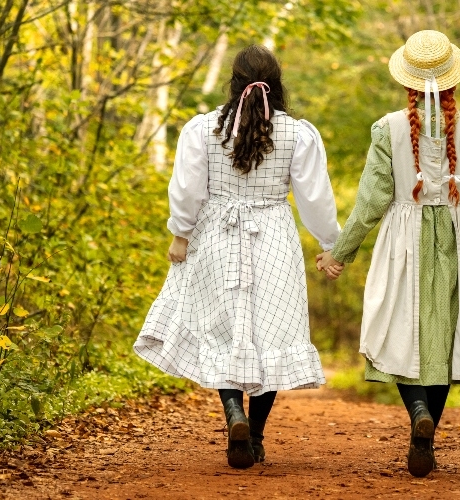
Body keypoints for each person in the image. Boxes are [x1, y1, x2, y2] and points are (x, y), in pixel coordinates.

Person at [134, 45, 340, 469]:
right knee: (271, 335)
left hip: (216, 236)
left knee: (221, 331)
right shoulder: (297, 133)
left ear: (233, 83)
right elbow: (314, 198)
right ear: (276, 84)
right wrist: (328, 243)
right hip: (274, 239)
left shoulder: (203, 129)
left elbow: (188, 188)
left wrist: (181, 233)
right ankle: (257, 437)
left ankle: (233, 414)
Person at [317, 30, 460, 478]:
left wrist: (340, 254)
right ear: (453, 81)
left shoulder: (388, 129)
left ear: (406, 81)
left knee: (403, 331)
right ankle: (427, 434)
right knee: (444, 341)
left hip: (404, 240)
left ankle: (417, 408)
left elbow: (371, 201)